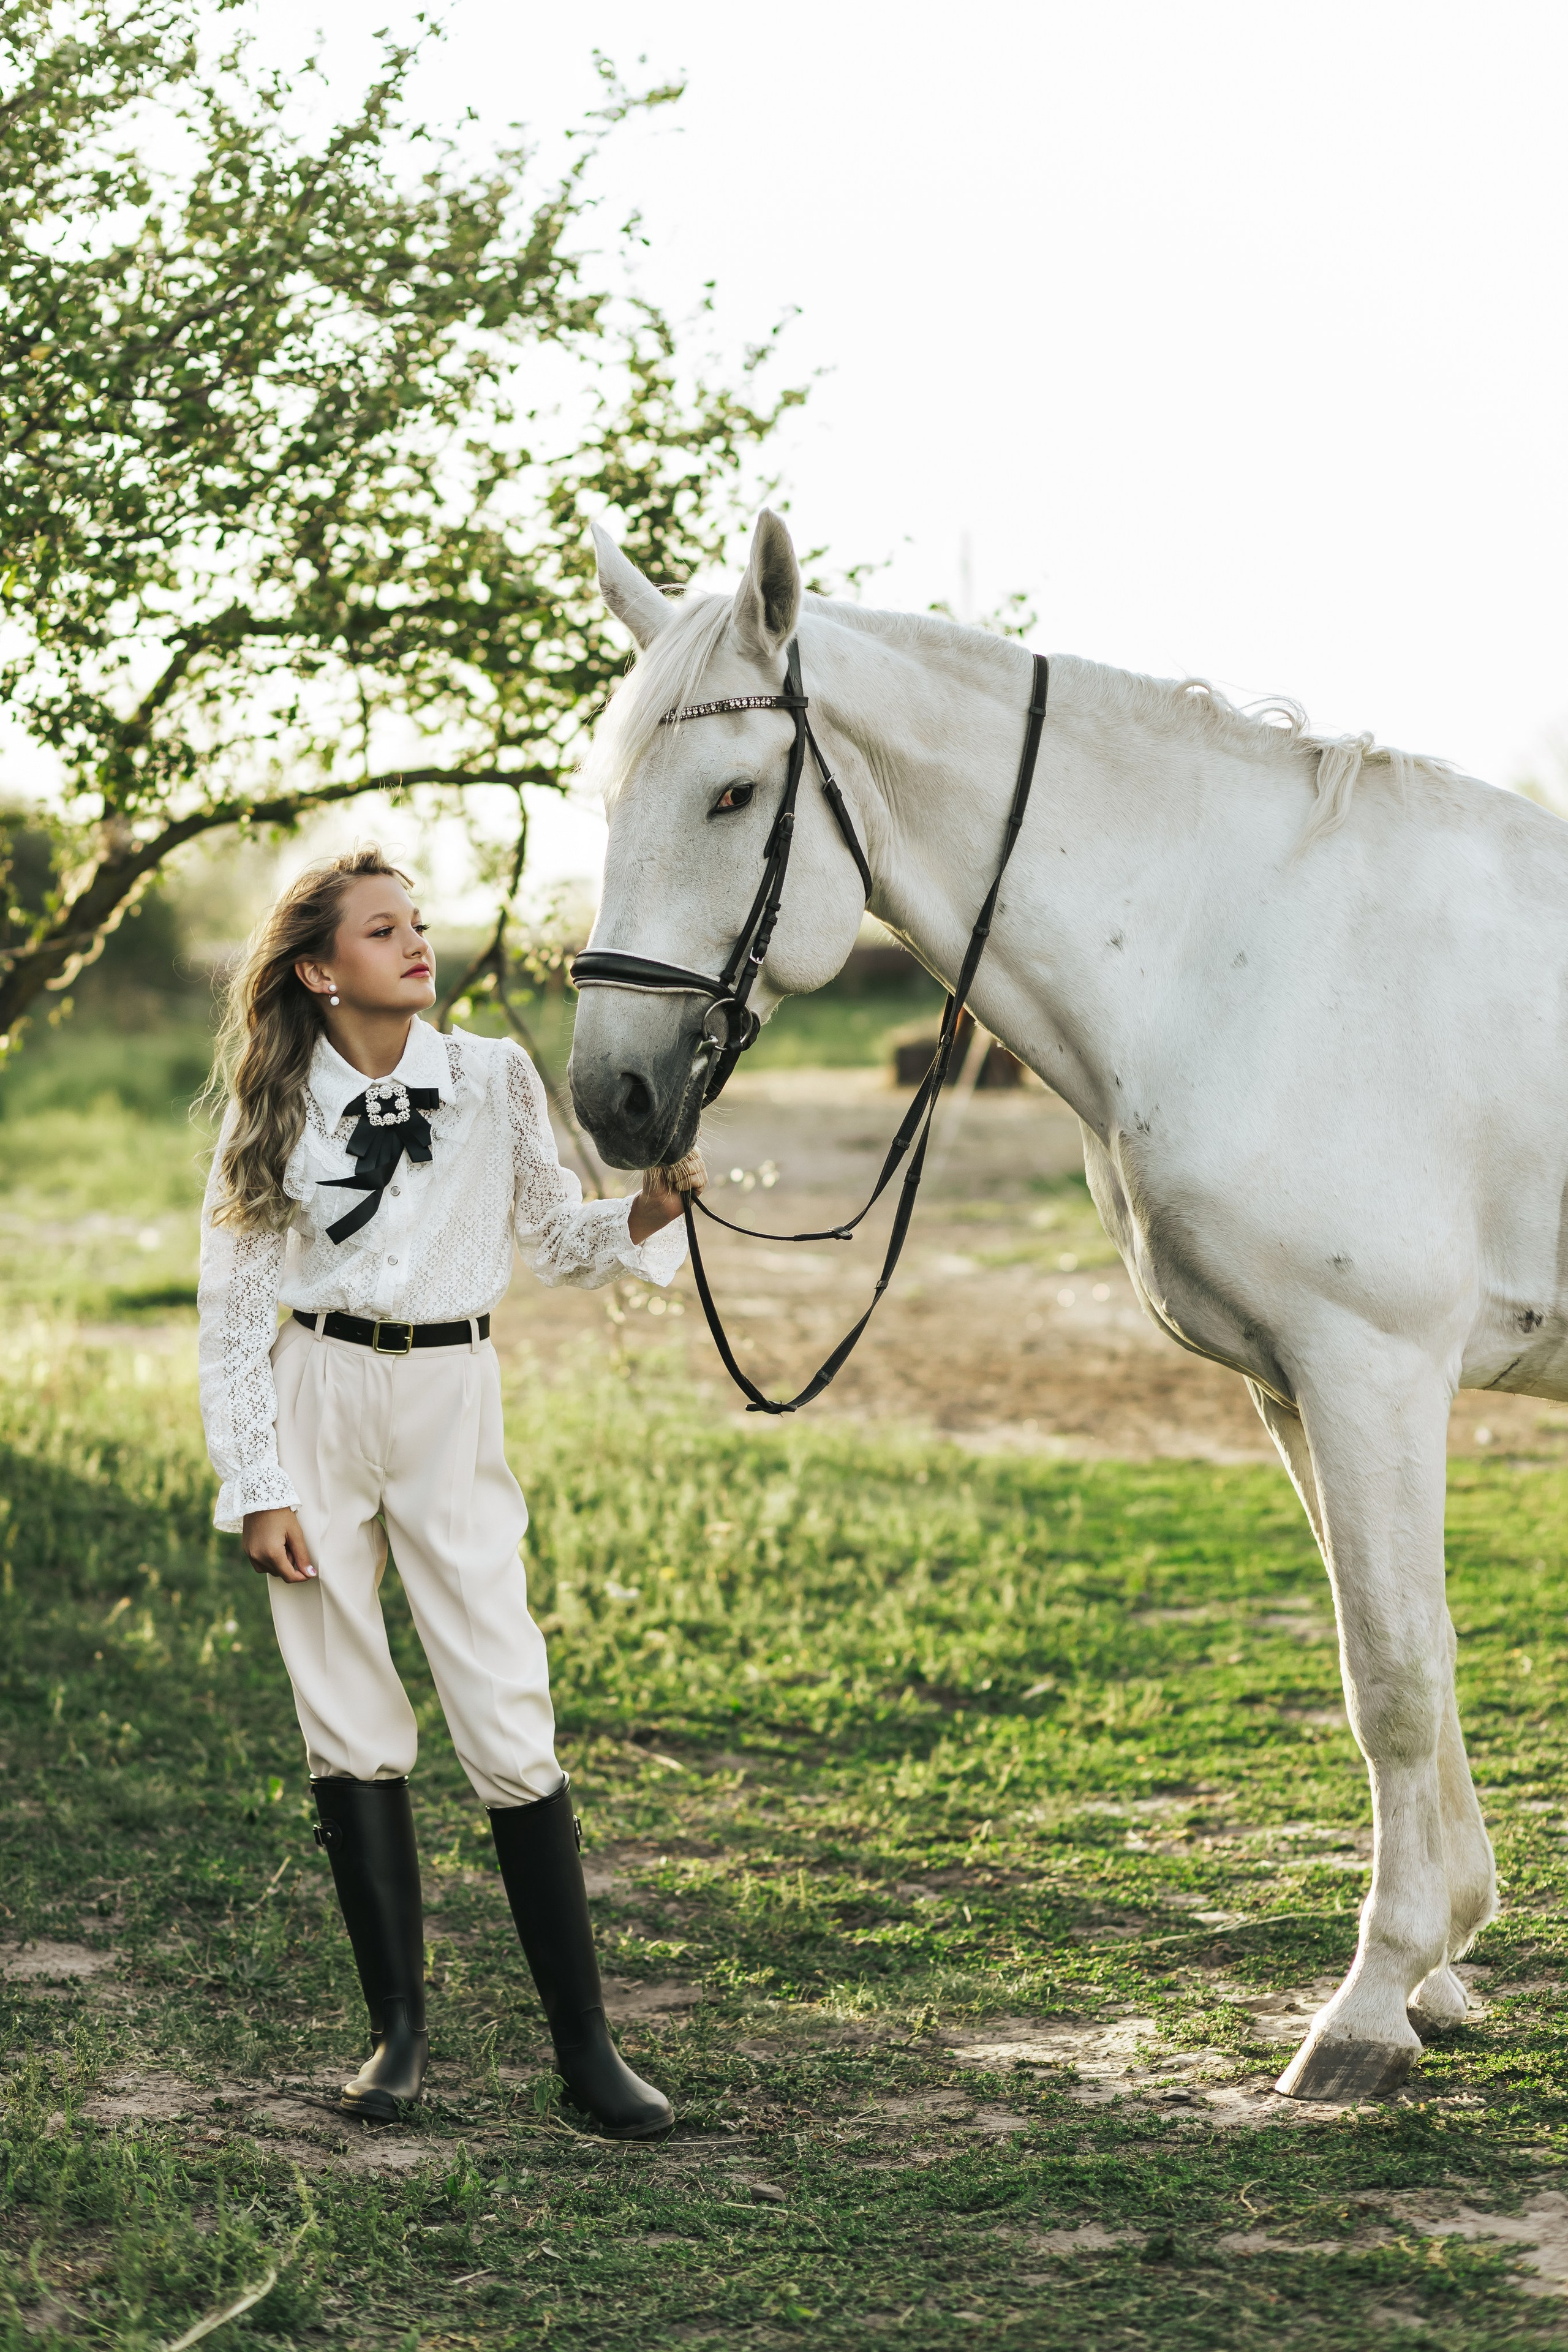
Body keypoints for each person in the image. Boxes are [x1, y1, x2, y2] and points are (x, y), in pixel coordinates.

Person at [197, 846, 696, 2136]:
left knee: (501, 1694)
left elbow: (555, 1240)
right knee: (347, 1707)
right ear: (319, 970)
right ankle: (397, 2039)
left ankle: (586, 2057)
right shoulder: (273, 1106)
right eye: (381, 930)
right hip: (315, 1391)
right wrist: (259, 1483)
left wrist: (642, 1215)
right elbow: (232, 1310)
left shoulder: (489, 1080)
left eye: (416, 924)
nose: (416, 944)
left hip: (449, 1394)